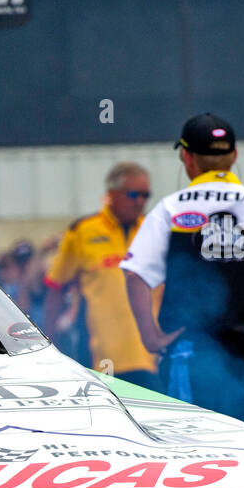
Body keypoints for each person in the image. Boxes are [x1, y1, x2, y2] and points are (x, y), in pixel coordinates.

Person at [120, 113, 244, 426]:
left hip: (190, 359)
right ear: (234, 155)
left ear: (187, 157)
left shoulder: (171, 208)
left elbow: (134, 275)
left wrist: (151, 338)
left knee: (194, 463)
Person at [44, 162, 159, 389]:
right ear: (112, 194)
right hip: (101, 361)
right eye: (133, 194)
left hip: (151, 359)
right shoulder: (83, 231)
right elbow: (55, 287)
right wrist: (49, 343)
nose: (140, 202)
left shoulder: (154, 230)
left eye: (146, 195)